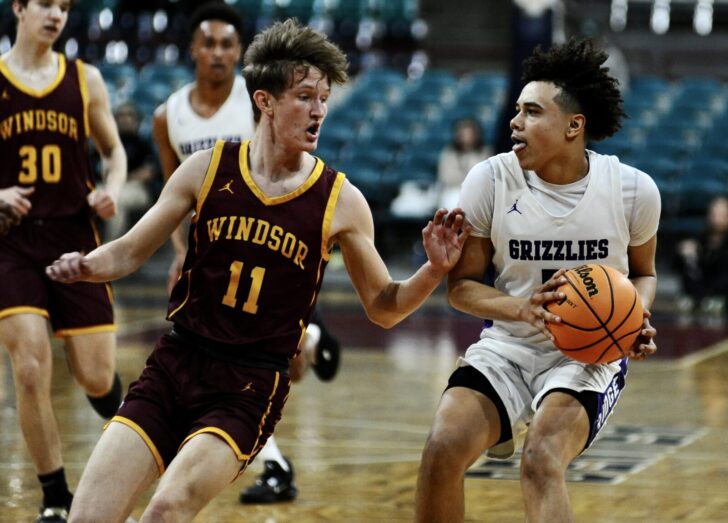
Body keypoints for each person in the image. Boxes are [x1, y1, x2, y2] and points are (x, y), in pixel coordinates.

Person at [46, 19, 469, 522]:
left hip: (248, 385)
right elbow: (131, 251)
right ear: (265, 101)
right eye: (305, 97)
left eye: (324, 99)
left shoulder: (342, 202)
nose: (319, 112)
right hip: (175, 361)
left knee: (165, 510)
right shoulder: (206, 169)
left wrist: (432, 271)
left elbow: (383, 307)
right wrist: (86, 264)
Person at [414, 38, 661, 523]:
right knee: (442, 448)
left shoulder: (633, 191)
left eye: (531, 111)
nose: (514, 121)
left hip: (587, 355)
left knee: (541, 458)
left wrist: (636, 317)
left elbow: (644, 274)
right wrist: (521, 310)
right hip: (509, 344)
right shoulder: (489, 180)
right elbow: (461, 288)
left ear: (574, 125)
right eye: (516, 110)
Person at [151, 2, 341, 503]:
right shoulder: (167, 115)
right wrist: (178, 254)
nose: (217, 53)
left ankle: (312, 338)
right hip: (213, 260)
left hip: (275, 256)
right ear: (193, 48)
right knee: (233, 370)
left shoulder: (262, 100)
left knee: (272, 364)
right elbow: (175, 199)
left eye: (227, 45)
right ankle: (274, 460)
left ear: (239, 52)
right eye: (209, 43)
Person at [0, 1, 128, 522]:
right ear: (19, 8)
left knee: (96, 378)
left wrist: (111, 189)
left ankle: (129, 428)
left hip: (75, 238)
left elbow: (114, 152)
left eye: (64, 6)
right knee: (29, 370)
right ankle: (55, 498)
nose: (56, 15)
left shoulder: (85, 79)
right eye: (46, 4)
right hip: (13, 244)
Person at [102, 100, 157, 240]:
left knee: (115, 200)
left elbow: (148, 172)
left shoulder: (143, 143)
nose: (125, 118)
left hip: (136, 188)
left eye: (129, 115)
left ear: (136, 119)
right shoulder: (106, 142)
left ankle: (110, 248)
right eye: (121, 115)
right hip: (105, 185)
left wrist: (120, 178)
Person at [673, 195, 728, 315]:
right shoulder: (700, 238)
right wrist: (685, 251)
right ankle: (694, 298)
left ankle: (711, 299)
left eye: (722, 215)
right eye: (714, 214)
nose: (716, 219)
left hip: (720, 289)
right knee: (687, 256)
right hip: (700, 283)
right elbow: (679, 266)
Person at [436, 117, 492, 210]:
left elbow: (484, 178)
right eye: (463, 134)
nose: (466, 137)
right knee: (451, 198)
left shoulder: (485, 152)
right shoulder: (449, 153)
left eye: (469, 133)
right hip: (453, 191)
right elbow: (446, 177)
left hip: (478, 193)